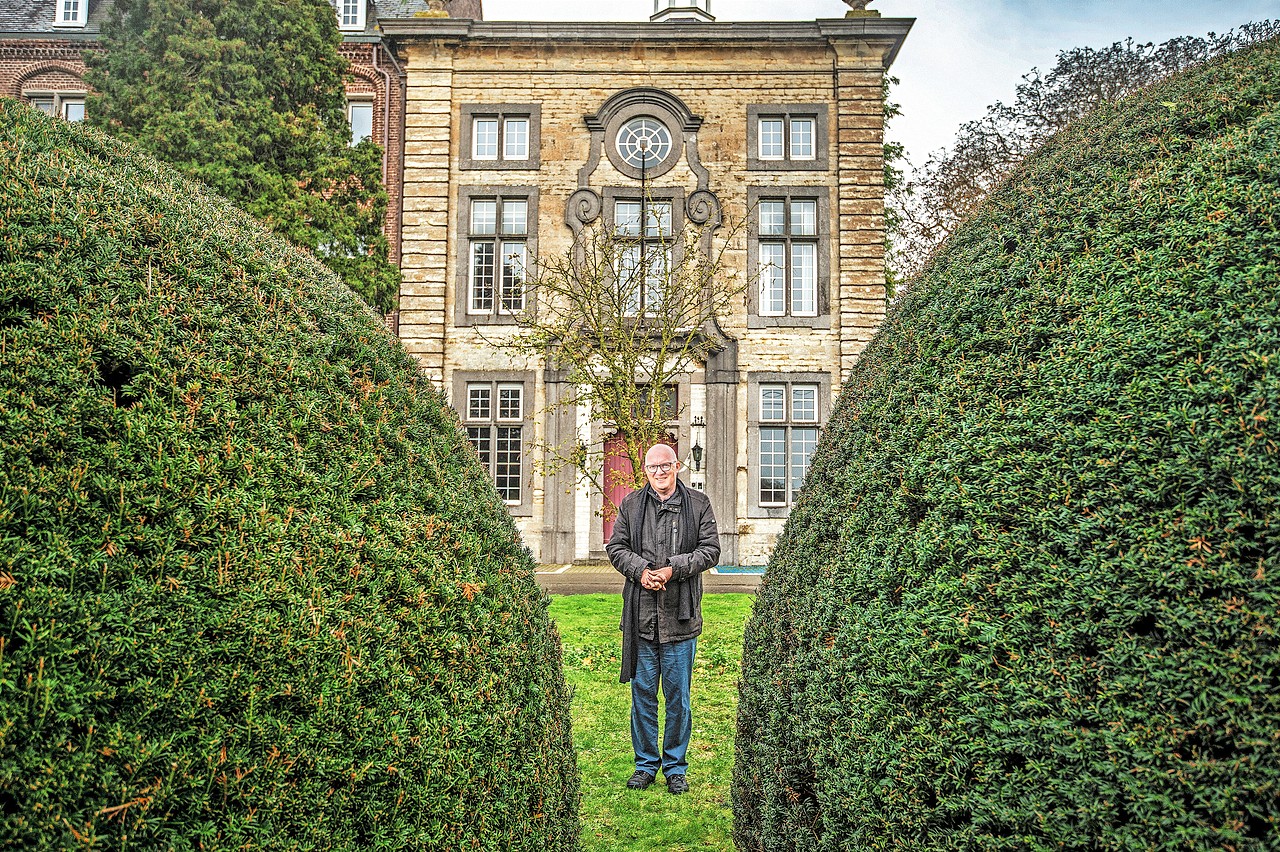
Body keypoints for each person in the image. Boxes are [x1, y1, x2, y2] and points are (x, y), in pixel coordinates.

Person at [606, 442, 720, 795]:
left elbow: (711, 551)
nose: (660, 472)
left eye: (666, 466)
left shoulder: (698, 505)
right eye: (653, 467)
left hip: (680, 619)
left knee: (678, 700)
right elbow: (616, 548)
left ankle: (675, 767)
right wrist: (641, 571)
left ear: (677, 466)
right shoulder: (630, 504)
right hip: (641, 618)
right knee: (642, 697)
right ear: (646, 471)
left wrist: (674, 570)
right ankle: (644, 765)